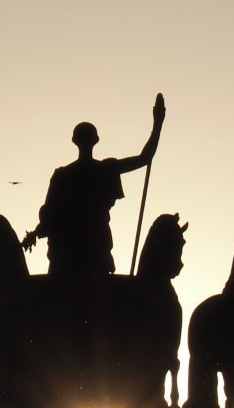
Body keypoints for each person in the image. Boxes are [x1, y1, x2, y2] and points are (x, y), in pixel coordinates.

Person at [21, 94, 165, 278]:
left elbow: (50, 216)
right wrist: (157, 125)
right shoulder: (103, 170)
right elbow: (144, 158)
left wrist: (36, 233)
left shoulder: (63, 175)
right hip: (87, 251)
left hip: (74, 253)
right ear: (96, 140)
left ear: (74, 141)